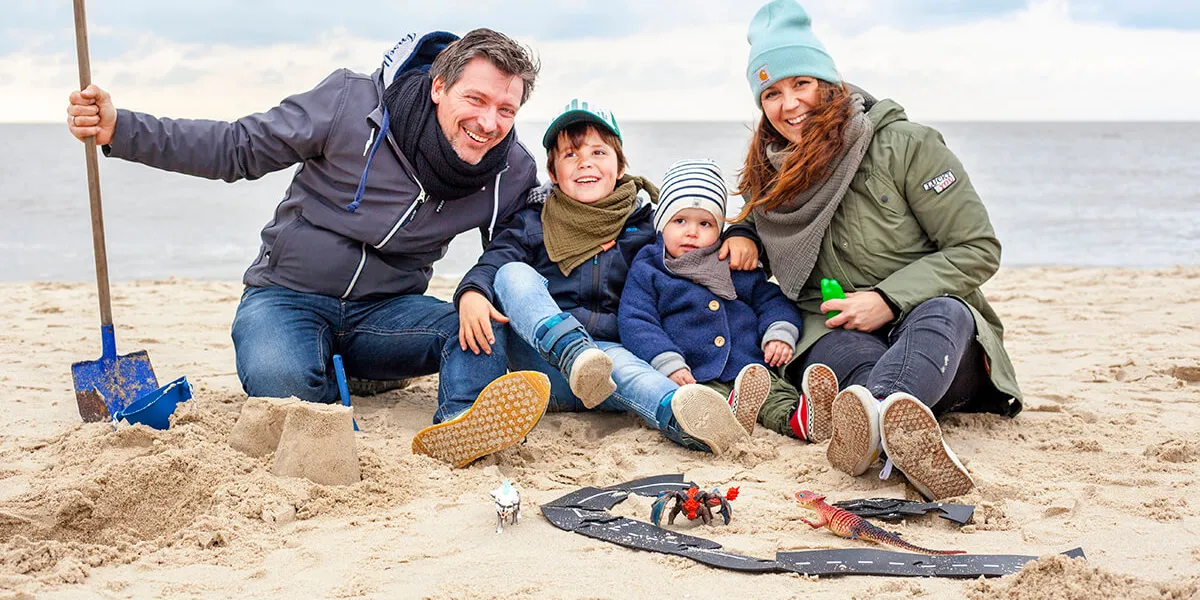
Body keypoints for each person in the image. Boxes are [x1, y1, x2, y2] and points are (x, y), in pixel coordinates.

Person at [66, 29, 552, 468]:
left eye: (505, 110)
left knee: (484, 328)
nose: (488, 122)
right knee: (284, 384)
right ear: (438, 86)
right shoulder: (350, 102)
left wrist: (476, 288)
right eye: (476, 99)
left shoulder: (509, 170)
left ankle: (461, 424)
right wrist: (121, 129)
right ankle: (338, 379)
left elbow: (511, 245)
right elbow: (236, 147)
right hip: (286, 297)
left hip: (385, 313)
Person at [721, 0, 1024, 500]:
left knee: (942, 314)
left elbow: (977, 248)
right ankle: (888, 430)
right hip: (833, 324)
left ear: (829, 82)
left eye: (801, 83)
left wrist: (886, 299)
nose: (789, 105)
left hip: (936, 330)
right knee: (849, 368)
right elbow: (758, 224)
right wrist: (742, 234)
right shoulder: (770, 173)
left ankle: (880, 422)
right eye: (771, 93)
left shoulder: (904, 145)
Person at [453, 101, 749, 454]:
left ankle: (687, 422)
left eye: (598, 152)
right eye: (570, 155)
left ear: (620, 166)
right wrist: (473, 291)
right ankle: (571, 350)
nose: (585, 162)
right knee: (511, 273)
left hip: (609, 363)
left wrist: (740, 235)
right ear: (553, 173)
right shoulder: (533, 222)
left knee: (634, 374)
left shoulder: (645, 226)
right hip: (542, 362)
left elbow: (696, 239)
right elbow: (494, 262)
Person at [619, 159, 806, 437]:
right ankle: (731, 416)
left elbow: (769, 300)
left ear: (719, 229)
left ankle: (801, 420)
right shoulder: (650, 268)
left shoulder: (729, 261)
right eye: (680, 221)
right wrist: (667, 362)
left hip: (748, 364)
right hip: (694, 371)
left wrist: (779, 333)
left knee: (775, 395)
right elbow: (636, 320)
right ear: (661, 224)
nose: (692, 232)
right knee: (702, 404)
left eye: (705, 223)